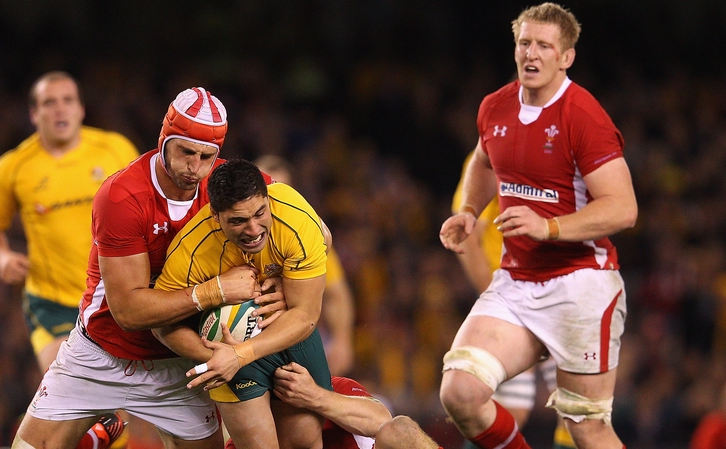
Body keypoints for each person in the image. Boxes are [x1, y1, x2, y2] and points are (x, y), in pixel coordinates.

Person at [10, 87, 279, 449]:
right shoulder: (122, 195)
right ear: (164, 139)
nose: (194, 167)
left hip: (178, 362)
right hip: (102, 353)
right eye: (185, 152)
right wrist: (216, 290)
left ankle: (96, 437)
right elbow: (128, 313)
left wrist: (279, 284)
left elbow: (312, 233)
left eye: (206, 156)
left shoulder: (229, 186)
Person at [438, 3, 637, 449]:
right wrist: (469, 209)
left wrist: (548, 227)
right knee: (461, 392)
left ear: (566, 57)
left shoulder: (584, 116)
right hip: (517, 281)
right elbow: (484, 161)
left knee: (585, 425)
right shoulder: (495, 107)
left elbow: (623, 209)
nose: (531, 53)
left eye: (544, 46)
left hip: (581, 283)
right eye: (524, 43)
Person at [0, 71, 140, 448]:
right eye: (49, 103)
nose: (60, 109)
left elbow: (145, 205)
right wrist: (1, 256)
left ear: (81, 109)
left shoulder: (114, 149)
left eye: (68, 100)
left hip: (113, 299)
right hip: (52, 302)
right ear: (34, 114)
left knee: (110, 414)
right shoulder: (14, 166)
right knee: (71, 396)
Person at [152, 158, 331, 449]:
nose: (253, 229)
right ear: (215, 215)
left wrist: (240, 354)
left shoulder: (294, 217)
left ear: (267, 199)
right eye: (238, 221)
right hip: (225, 349)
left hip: (287, 335)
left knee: (304, 442)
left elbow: (306, 315)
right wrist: (214, 356)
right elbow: (160, 325)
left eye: (260, 213)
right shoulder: (191, 250)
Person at [451, 153, 575, 449]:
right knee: (514, 408)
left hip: (556, 293)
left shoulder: (559, 152)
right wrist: (496, 300)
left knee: (574, 410)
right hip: (514, 294)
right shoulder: (493, 154)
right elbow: (467, 233)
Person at [254, 154, 356, 375]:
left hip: (293, 341)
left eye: (282, 190)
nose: (275, 199)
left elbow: (336, 294)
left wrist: (341, 341)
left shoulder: (307, 238)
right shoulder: (236, 235)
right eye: (268, 190)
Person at [269, 362, 442, 449]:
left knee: (401, 430)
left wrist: (312, 395)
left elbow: (382, 421)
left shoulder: (330, 388)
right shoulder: (254, 412)